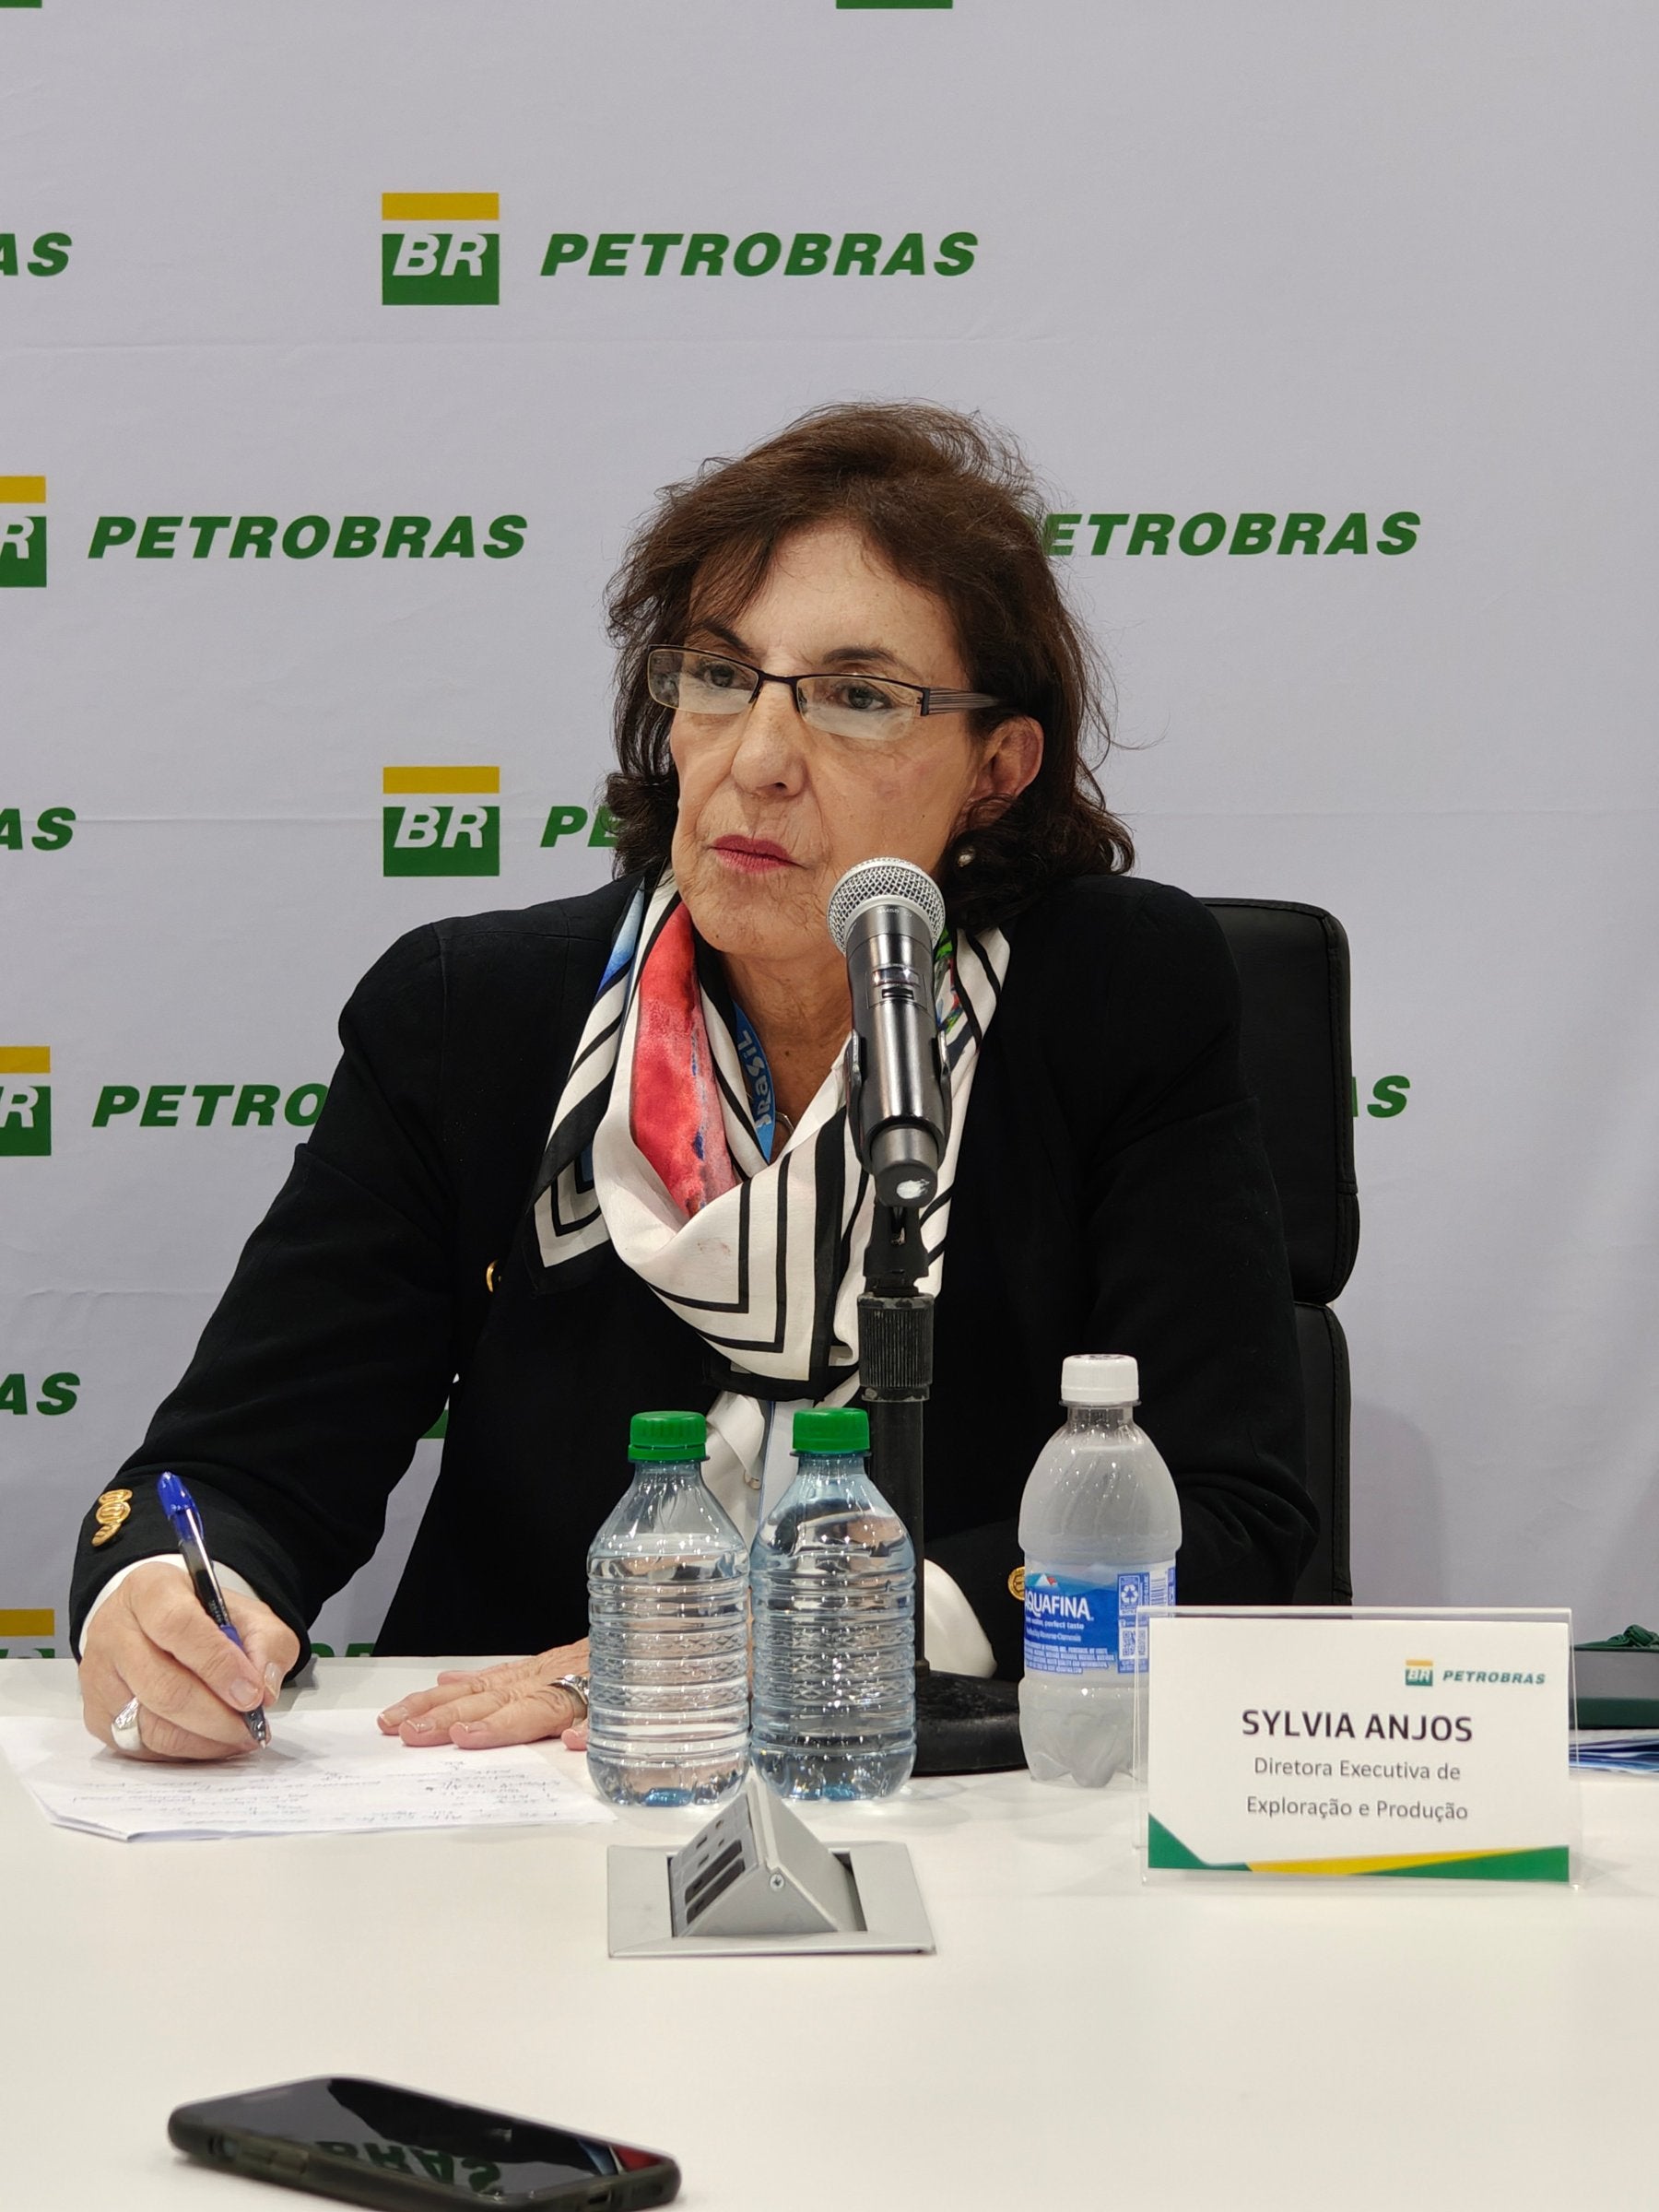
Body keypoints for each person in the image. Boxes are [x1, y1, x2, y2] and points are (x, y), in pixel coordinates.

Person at [71, 400, 1314, 1762]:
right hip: (508, 1793)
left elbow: (1228, 1520)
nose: (760, 761)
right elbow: (237, 1472)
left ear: (996, 770)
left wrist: (796, 1644)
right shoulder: (473, 1018)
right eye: (720, 676)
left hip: (950, 1786)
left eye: (858, 698)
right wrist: (167, 1604)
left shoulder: (1112, 1000)